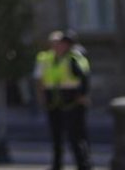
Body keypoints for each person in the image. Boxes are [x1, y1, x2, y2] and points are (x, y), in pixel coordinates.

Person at [34, 30, 91, 170]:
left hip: (72, 103)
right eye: (55, 43)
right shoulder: (47, 58)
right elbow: (41, 79)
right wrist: (41, 97)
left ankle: (83, 166)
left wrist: (83, 95)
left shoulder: (74, 58)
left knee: (76, 138)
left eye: (60, 43)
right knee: (56, 138)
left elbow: (84, 77)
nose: (57, 45)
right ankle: (57, 165)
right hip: (54, 103)